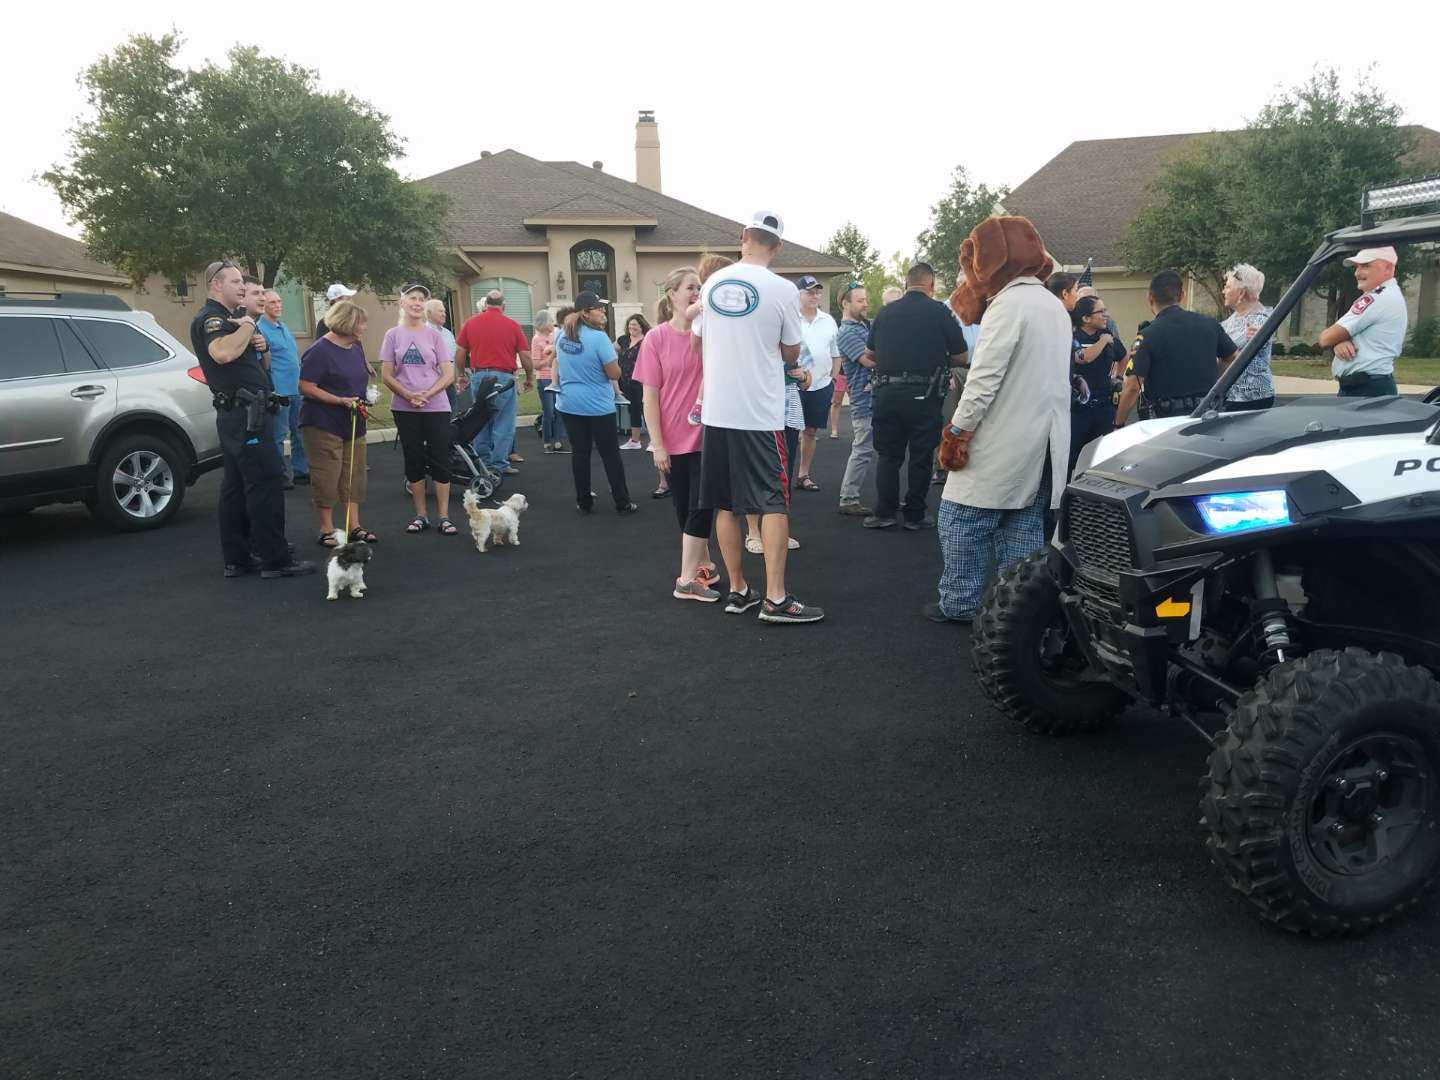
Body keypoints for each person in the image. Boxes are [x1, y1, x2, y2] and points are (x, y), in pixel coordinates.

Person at [931, 215, 1070, 624]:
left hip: (1002, 436)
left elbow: (983, 379)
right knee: (1023, 523)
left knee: (960, 517)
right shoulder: (1052, 304)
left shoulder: (1008, 305)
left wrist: (957, 430)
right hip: (1045, 440)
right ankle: (1018, 608)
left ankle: (960, 603)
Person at [693, 210, 822, 624]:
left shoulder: (712, 282)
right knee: (773, 502)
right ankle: (776, 599)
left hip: (718, 411)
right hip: (759, 413)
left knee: (725, 504)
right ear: (779, 246)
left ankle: (738, 589)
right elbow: (790, 352)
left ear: (743, 237)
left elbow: (698, 342)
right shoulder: (782, 289)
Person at [190, 260, 313, 579]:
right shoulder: (214, 319)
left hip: (242, 412)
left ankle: (240, 556)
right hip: (245, 414)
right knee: (267, 479)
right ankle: (275, 558)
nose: (242, 287)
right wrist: (247, 326)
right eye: (235, 283)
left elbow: (245, 355)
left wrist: (254, 338)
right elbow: (222, 354)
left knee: (235, 484)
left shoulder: (232, 321)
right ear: (216, 285)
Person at [636, 266, 722, 600]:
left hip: (706, 434)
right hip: (670, 438)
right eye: (690, 287)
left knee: (702, 505)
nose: (697, 292)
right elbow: (649, 396)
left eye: (700, 287)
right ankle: (706, 565)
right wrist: (657, 444)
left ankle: (686, 580)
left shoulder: (709, 335)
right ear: (672, 294)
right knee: (684, 510)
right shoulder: (656, 338)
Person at [862, 262, 967, 531]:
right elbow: (960, 356)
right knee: (920, 456)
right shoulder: (941, 313)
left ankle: (884, 512)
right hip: (926, 393)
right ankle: (914, 515)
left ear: (906, 283)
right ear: (931, 286)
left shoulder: (885, 313)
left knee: (888, 455)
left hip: (887, 393)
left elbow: (871, 354)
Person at [298, 299, 376, 547]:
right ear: (349, 323)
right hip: (323, 422)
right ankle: (326, 528)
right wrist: (338, 400)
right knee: (327, 476)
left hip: (353, 420)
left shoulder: (355, 347)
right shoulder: (319, 351)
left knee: (354, 474)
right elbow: (306, 386)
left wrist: (365, 398)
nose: (364, 327)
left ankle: (354, 527)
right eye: (361, 323)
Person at [382, 284, 457, 537]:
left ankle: (444, 517)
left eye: (421, 299)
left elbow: (448, 373)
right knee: (413, 459)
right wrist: (408, 394)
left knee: (439, 459)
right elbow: (386, 374)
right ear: (402, 303)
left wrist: (428, 393)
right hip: (405, 407)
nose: (417, 303)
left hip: (435, 406)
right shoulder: (392, 335)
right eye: (412, 298)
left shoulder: (434, 335)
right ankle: (421, 515)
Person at [1115, 271, 1237, 425]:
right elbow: (1232, 356)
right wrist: (1212, 375)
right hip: (1205, 415)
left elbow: (1133, 385)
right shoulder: (1210, 325)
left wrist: (1118, 424)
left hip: (1165, 421)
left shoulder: (1147, 335)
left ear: (1150, 299)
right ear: (1182, 295)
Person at [555, 292, 638, 515]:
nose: (603, 311)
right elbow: (614, 373)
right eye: (598, 308)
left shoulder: (562, 335)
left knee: (580, 453)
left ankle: (583, 500)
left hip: (569, 403)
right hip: (598, 406)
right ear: (584, 312)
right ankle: (622, 501)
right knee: (610, 454)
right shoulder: (599, 338)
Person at [455, 289, 532, 476]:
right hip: (504, 377)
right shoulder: (512, 325)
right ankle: (499, 464)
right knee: (503, 422)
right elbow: (525, 355)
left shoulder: (470, 323)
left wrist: (461, 374)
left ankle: (484, 463)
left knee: (481, 419)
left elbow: (459, 352)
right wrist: (530, 377)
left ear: (486, 304)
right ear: (503, 306)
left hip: (479, 376)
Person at [1318, 246, 1407, 398]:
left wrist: (1336, 339)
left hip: (1366, 388)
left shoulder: (1376, 298)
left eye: (1366, 266)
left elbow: (1325, 338)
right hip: (1369, 385)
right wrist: (1340, 341)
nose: (1357, 272)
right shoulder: (1387, 295)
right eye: (1357, 267)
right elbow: (1337, 337)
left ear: (1388, 268)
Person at [1068, 295, 1126, 475]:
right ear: (1086, 318)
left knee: (1102, 458)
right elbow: (1083, 358)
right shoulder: (1072, 336)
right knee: (1073, 459)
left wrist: (1118, 377)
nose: (1106, 315)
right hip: (1077, 410)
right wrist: (1102, 342)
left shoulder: (1108, 337)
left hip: (1103, 407)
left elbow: (1123, 356)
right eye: (1100, 312)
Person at [792, 275, 841, 492]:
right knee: (790, 432)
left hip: (820, 385)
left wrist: (832, 380)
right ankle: (781, 475)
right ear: (799, 294)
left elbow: (836, 354)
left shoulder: (828, 320)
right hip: (792, 385)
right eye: (809, 292)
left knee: (810, 431)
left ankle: (803, 474)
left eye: (817, 292)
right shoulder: (790, 318)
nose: (814, 296)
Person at [258, 288, 306, 488]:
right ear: (264, 306)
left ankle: (301, 471)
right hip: (280, 392)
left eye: (279, 302)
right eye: (272, 303)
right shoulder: (259, 330)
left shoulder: (283, 326)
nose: (278, 306)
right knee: (278, 435)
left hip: (296, 389)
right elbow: (263, 363)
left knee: (299, 432)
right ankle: (280, 475)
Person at [835, 282, 874, 516]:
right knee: (862, 449)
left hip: (876, 397)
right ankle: (848, 498)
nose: (866, 304)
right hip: (864, 399)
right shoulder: (847, 332)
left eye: (865, 299)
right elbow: (869, 361)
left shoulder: (865, 326)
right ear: (845, 303)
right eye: (860, 300)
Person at [1219, 263, 1275, 411]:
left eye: (1228, 287)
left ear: (1242, 293)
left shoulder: (1261, 321)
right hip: (1228, 394)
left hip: (1250, 398)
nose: (1223, 291)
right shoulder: (1231, 320)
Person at [530, 309, 565, 452]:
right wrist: (549, 357)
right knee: (548, 411)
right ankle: (547, 439)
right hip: (544, 378)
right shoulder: (536, 340)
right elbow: (536, 365)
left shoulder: (557, 334)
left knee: (559, 410)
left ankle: (558, 439)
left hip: (558, 376)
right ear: (544, 323)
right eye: (550, 320)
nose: (553, 323)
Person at [616, 314, 650, 449]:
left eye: (635, 324)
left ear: (642, 326)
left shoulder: (647, 340)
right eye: (630, 324)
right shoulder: (623, 340)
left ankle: (654, 441)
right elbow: (610, 350)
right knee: (633, 410)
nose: (632, 327)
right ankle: (635, 441)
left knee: (646, 410)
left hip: (642, 381)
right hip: (626, 381)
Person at [424, 297, 459, 410]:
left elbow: (453, 359)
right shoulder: (423, 333)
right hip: (432, 385)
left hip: (449, 384)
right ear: (429, 313)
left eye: (444, 311)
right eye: (440, 311)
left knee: (452, 417)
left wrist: (456, 379)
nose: (444, 314)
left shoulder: (448, 334)